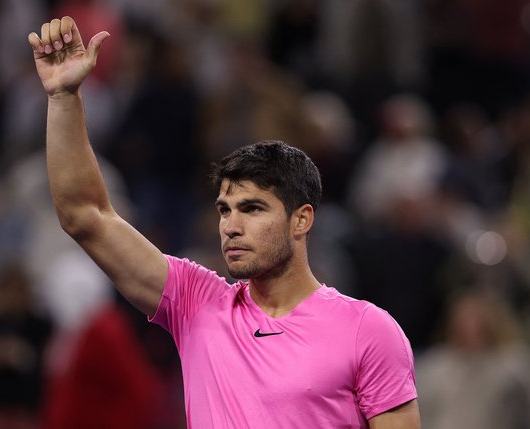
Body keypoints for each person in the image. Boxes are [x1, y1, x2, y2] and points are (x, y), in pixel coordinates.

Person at [27, 16, 421, 429]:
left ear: (301, 220)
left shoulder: (367, 330)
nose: (231, 225)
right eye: (224, 210)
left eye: (252, 209)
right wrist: (64, 97)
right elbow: (85, 216)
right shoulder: (196, 303)